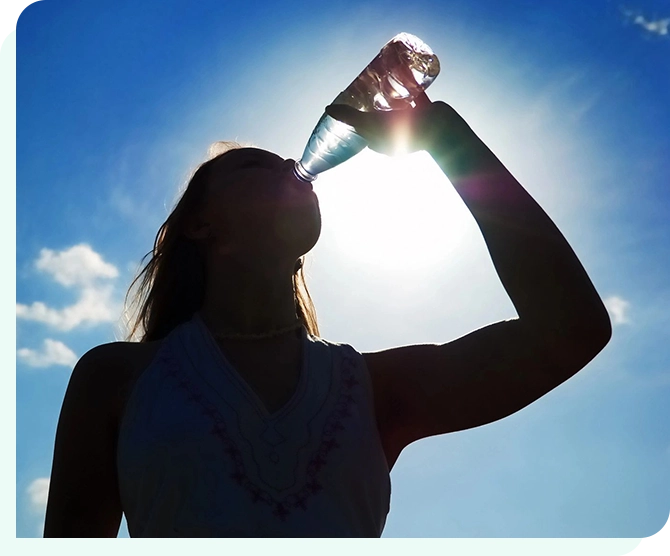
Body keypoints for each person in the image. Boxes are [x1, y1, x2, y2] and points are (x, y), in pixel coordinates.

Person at [43, 92, 611, 537]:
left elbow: (571, 330)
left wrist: (447, 139)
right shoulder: (118, 380)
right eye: (256, 167)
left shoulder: (368, 389)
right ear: (200, 224)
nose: (292, 164)